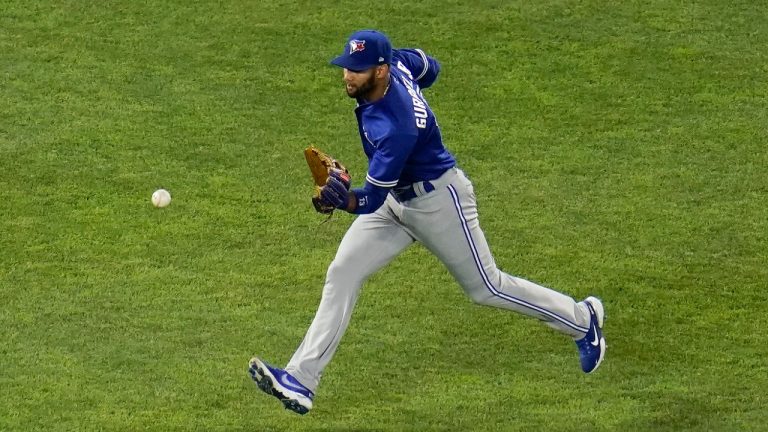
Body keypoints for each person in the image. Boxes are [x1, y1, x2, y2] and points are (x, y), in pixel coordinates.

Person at [248, 29, 606, 415]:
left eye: (358, 69)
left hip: (438, 201)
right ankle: (301, 380)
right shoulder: (398, 63)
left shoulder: (395, 126)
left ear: (381, 71)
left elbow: (370, 200)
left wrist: (343, 199)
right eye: (347, 67)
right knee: (343, 272)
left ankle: (583, 319)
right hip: (397, 201)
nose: (348, 76)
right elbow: (429, 66)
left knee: (487, 288)